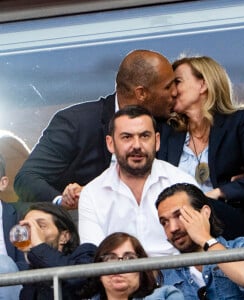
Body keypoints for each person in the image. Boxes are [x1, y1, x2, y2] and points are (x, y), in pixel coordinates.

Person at [14, 49, 177, 210]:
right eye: (168, 87)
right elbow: (26, 179)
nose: (175, 93)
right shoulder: (76, 123)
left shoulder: (168, 127)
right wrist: (63, 202)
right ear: (141, 93)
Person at [158, 55, 244, 244]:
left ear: (203, 85)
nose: (172, 91)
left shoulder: (238, 122)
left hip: (230, 225)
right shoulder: (168, 132)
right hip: (178, 230)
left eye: (178, 82)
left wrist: (217, 193)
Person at [78, 105, 197, 257]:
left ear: (157, 141)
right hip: (121, 276)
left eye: (144, 136)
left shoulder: (182, 182)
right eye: (127, 137)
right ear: (110, 143)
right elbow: (95, 259)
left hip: (177, 276)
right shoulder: (92, 194)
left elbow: (197, 246)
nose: (137, 146)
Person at [156, 183, 244, 300]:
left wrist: (205, 239)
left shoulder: (242, 246)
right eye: (164, 222)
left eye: (179, 215)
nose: (173, 228)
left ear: (205, 213)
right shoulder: (166, 273)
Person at [16, 202, 97, 300]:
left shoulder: (86, 252)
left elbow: (78, 279)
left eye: (40, 226)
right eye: (27, 227)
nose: (32, 232)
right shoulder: (29, 277)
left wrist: (38, 245)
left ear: (64, 236)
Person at [79, 232, 184, 300]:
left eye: (129, 258)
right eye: (110, 258)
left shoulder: (167, 295)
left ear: (141, 271)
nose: (119, 267)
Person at [0, 154, 23, 300]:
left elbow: (26, 261)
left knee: (5, 264)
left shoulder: (18, 218)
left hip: (9, 285)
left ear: (3, 183)